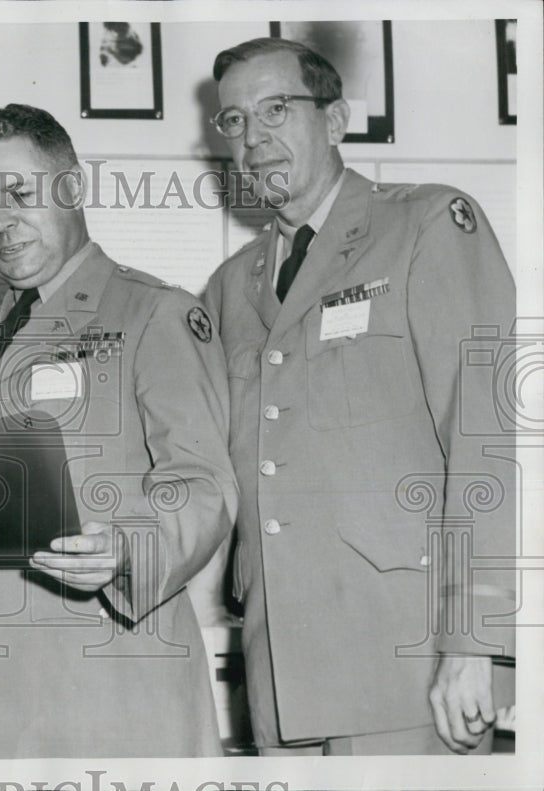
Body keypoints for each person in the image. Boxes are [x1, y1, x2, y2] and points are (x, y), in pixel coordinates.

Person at [0, 103, 238, 758]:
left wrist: (129, 547)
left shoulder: (154, 313)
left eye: (21, 192)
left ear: (73, 188)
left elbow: (203, 485)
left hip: (108, 690)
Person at [203, 38, 516, 755]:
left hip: (406, 668)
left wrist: (474, 644)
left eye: (276, 109)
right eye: (235, 121)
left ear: (337, 119)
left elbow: (487, 440)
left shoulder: (426, 225)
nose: (253, 139)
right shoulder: (228, 288)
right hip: (278, 674)